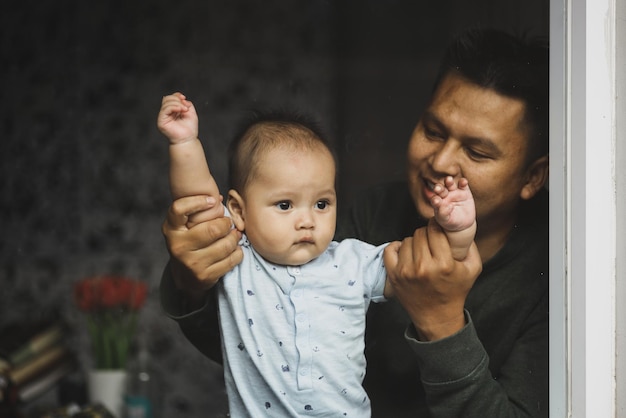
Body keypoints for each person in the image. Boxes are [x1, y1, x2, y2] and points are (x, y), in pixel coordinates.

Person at [160, 27, 549, 417]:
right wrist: (192, 283)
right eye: (433, 131)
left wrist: (443, 323)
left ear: (533, 177)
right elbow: (268, 343)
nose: (442, 162)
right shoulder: (375, 212)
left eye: (478, 152)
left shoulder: (557, 276)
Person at [157, 93, 477, 416]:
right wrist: (184, 142)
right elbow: (200, 203)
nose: (307, 220)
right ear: (239, 210)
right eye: (285, 205)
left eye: (322, 204)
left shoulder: (353, 262)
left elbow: (427, 266)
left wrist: (457, 227)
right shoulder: (237, 259)